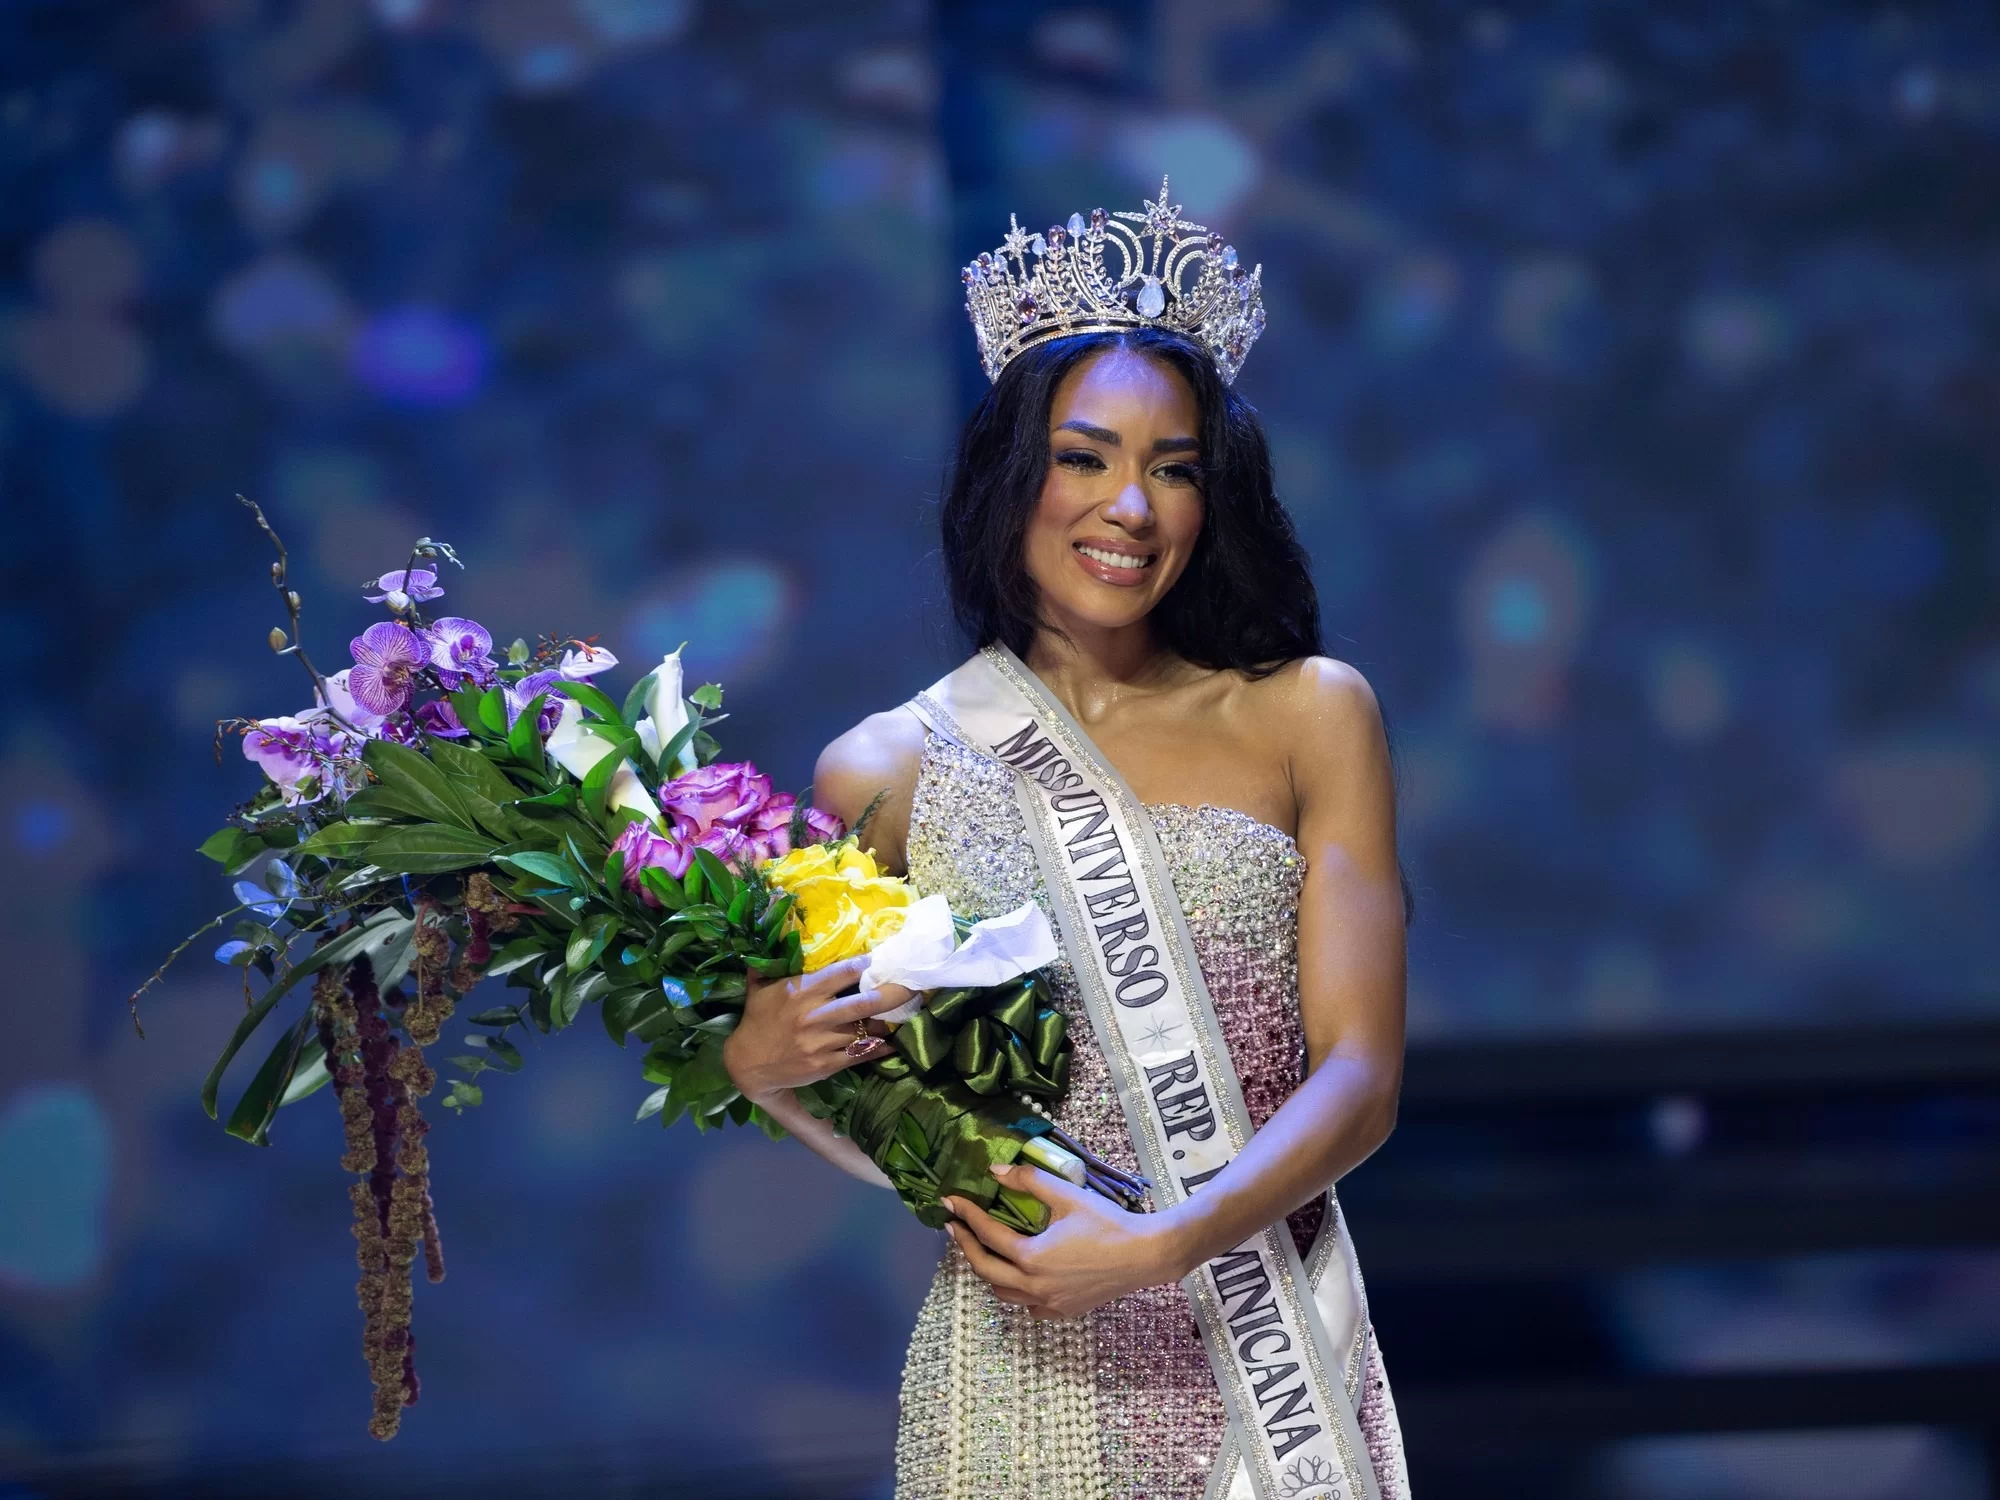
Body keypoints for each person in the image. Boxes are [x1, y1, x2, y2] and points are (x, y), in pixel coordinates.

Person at [723, 186, 1410, 1500]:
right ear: (1012, 476)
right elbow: (837, 1069)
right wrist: (756, 1064)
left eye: (1173, 467)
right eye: (1087, 457)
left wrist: (1161, 1246)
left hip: (1267, 1345)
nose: (1131, 509)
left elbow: (1362, 1075)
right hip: (1022, 1372)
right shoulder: (888, 767)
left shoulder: (1314, 716)